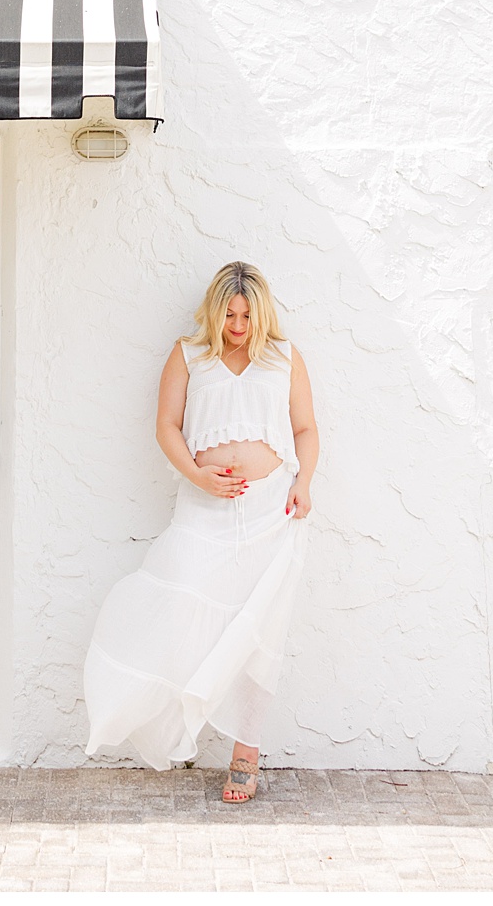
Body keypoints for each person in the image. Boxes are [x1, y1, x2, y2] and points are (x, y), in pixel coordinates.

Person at [83, 260, 318, 803]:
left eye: (247, 314)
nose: (238, 325)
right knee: (177, 606)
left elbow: (305, 429)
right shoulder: (189, 355)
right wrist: (197, 475)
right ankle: (169, 720)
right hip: (201, 509)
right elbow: (166, 426)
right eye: (230, 314)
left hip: (270, 514)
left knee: (259, 633)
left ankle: (245, 756)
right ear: (216, 310)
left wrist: (304, 482)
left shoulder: (284, 358)